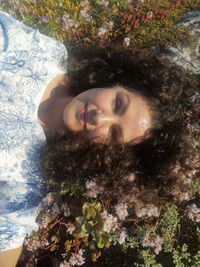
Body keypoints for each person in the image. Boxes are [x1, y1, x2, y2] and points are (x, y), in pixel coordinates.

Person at [0, 9, 199, 267]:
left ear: (111, 154)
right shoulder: (41, 54)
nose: (99, 118)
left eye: (114, 134)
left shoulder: (29, 180)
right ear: (118, 82)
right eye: (118, 104)